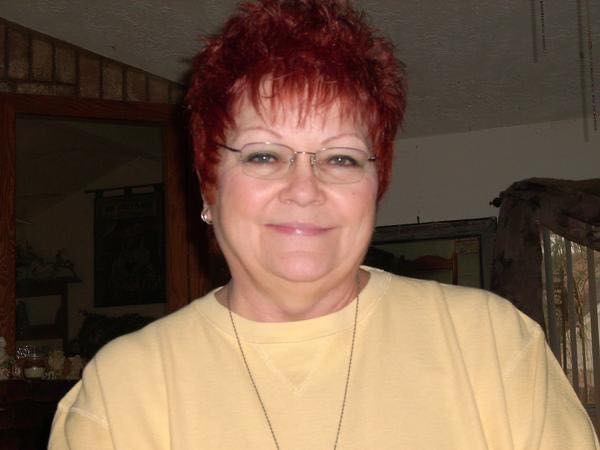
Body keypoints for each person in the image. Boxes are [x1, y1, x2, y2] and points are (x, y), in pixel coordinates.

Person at [49, 1, 599, 449]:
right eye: (264, 155)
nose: (304, 188)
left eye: (340, 158)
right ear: (209, 187)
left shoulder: (492, 344)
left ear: (376, 187)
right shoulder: (124, 389)